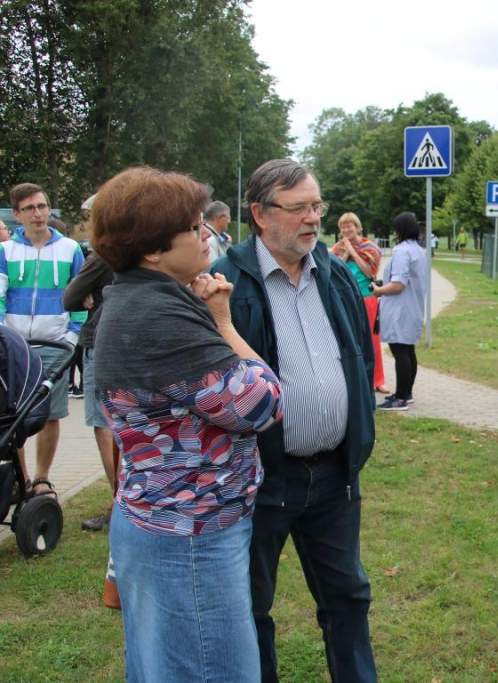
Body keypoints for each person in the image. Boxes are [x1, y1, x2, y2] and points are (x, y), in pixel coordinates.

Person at [90, 166, 282, 682]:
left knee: (167, 666)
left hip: (167, 521)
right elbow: (261, 404)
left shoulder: (139, 298)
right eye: (195, 228)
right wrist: (223, 323)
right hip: (189, 534)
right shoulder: (159, 317)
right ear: (153, 250)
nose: (208, 237)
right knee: (210, 669)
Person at [211, 159, 378, 683]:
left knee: (347, 596)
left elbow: (359, 359)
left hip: (332, 476)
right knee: (250, 606)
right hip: (260, 478)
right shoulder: (226, 282)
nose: (313, 219)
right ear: (260, 214)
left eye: (317, 206)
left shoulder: (331, 272)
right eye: (299, 207)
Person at [1, 182, 86, 497]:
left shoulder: (70, 249)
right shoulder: (6, 251)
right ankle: (18, 480)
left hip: (55, 344)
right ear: (17, 215)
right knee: (13, 416)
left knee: (50, 414)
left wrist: (72, 334)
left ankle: (41, 478)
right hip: (15, 346)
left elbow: (80, 296)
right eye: (29, 209)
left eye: (41, 207)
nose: (37, 214)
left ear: (48, 209)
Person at [63, 193, 117, 531]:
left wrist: (87, 293)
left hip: (101, 339)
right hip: (131, 341)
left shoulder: (103, 255)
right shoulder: (144, 248)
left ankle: (119, 502)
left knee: (104, 424)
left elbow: (70, 297)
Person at [371, 211, 428, 412]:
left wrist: (378, 290)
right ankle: (407, 393)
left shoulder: (402, 251)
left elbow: (398, 285)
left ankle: (401, 397)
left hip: (400, 308)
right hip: (413, 306)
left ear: (400, 229)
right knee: (408, 350)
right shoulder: (419, 250)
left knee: (400, 351)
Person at [331, 212, 389, 395]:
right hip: (344, 300)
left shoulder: (370, 248)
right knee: (348, 339)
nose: (346, 229)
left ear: (358, 227)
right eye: (343, 226)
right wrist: (346, 251)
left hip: (366, 298)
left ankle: (378, 380)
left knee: (372, 340)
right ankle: (354, 379)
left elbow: (369, 272)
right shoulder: (338, 248)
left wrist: (353, 251)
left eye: (350, 225)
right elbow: (333, 271)